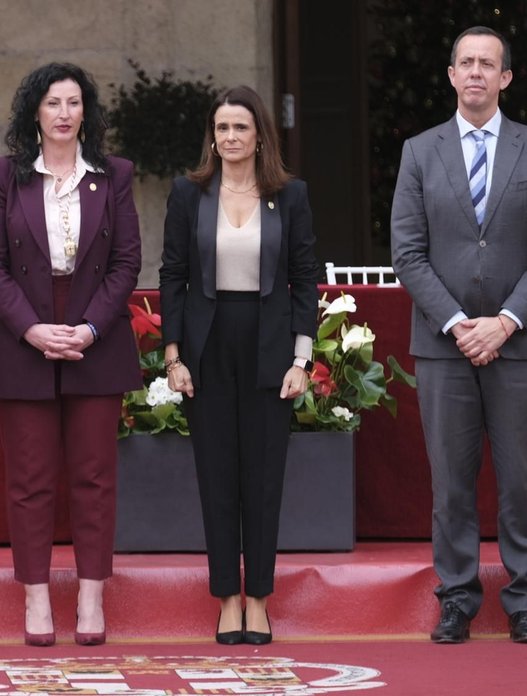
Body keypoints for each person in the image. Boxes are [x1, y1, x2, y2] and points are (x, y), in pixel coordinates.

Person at [390, 26, 527, 646]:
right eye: (465, 62)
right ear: (450, 74)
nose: (475, 73)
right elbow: (407, 253)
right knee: (451, 483)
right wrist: (459, 324)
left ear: (506, 78)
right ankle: (457, 600)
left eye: (486, 64)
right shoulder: (419, 151)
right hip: (443, 345)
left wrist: (505, 321)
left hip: (519, 343)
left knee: (521, 481)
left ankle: (523, 601)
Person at [0, 62, 142, 647]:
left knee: (95, 477)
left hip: (95, 333)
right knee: (30, 479)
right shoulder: (4, 175)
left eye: (74, 103)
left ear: (85, 113)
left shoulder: (113, 174)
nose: (65, 113)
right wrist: (31, 329)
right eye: (53, 103)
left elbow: (126, 263)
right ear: (35, 113)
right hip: (26, 336)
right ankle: (38, 598)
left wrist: (92, 327)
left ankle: (92, 597)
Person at [158, 85, 318, 646]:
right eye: (221, 128)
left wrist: (302, 358)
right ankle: (227, 597)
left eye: (240, 128)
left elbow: (304, 281)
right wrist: (173, 356)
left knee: (264, 477)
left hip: (270, 345)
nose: (229, 138)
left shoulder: (289, 196)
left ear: (259, 137)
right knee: (217, 475)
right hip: (206, 345)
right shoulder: (188, 193)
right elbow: (172, 277)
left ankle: (259, 599)